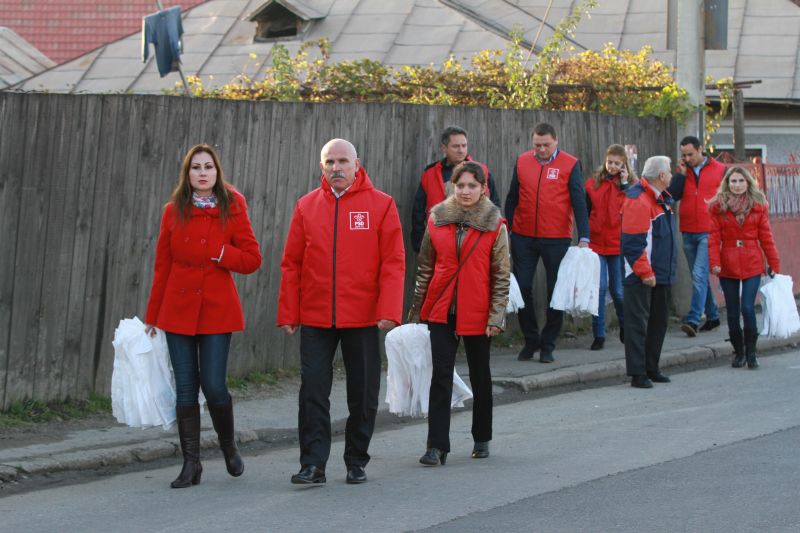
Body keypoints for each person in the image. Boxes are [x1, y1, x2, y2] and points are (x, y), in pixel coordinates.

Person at [277, 138, 405, 485]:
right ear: (322, 167)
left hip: (362, 316)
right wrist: (290, 311)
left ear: (356, 164)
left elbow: (393, 262)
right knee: (313, 391)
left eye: (343, 161)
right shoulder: (306, 206)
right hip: (317, 317)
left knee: (363, 393)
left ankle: (356, 459)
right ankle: (313, 463)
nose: (336, 167)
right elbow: (292, 263)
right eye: (330, 162)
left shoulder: (381, 205)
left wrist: (389, 309)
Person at [144, 144, 262, 488]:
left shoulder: (233, 204)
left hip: (216, 311)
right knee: (185, 390)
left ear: (217, 171)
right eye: (195, 167)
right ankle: (191, 464)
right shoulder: (172, 211)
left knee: (213, 385)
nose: (202, 173)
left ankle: (228, 447)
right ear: (188, 173)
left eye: (208, 167)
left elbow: (253, 259)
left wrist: (222, 253)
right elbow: (162, 267)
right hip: (176, 312)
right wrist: (153, 315)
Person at [408, 161, 510, 466]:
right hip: (441, 310)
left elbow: (501, 274)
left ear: (483, 189)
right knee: (440, 377)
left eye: (472, 186)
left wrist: (496, 316)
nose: (465, 191)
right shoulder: (436, 219)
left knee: (481, 376)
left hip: (478, 312)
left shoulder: (495, 224)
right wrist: (416, 311)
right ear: (452, 186)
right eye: (460, 185)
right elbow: (425, 267)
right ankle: (436, 446)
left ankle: (482, 438)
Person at [505, 122, 590, 363]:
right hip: (523, 235)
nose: (541, 149)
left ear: (556, 141)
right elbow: (512, 197)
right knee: (522, 287)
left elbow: (579, 202)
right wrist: (506, 228)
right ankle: (531, 339)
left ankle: (549, 344)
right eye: (537, 145)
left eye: (546, 145)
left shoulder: (570, 164)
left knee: (556, 292)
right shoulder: (522, 161)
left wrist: (584, 236)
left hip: (556, 237)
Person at [708, 167, 780, 369]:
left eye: (741, 181)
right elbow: (713, 238)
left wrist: (774, 263)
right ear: (727, 184)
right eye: (733, 181)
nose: (737, 185)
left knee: (748, 307)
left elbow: (766, 237)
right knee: (732, 311)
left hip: (752, 260)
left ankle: (752, 352)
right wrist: (714, 262)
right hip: (728, 260)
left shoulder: (758, 206)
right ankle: (738, 352)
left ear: (748, 183)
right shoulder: (718, 207)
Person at [621, 155, 677, 389]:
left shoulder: (660, 199)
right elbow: (633, 243)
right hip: (642, 274)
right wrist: (645, 272)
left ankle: (651, 367)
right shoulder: (638, 199)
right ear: (661, 175)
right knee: (638, 324)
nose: (672, 174)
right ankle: (637, 372)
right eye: (670, 171)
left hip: (660, 272)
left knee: (657, 322)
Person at [668, 136, 725, 337]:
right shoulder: (683, 172)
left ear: (701, 150)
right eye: (683, 155)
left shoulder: (720, 169)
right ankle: (713, 315)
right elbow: (672, 196)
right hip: (688, 230)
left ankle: (693, 319)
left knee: (700, 275)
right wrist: (681, 174)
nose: (687, 158)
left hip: (709, 231)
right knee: (697, 276)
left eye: (690, 154)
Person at [411, 125, 501, 253]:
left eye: (464, 145)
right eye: (456, 146)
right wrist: (419, 242)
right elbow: (418, 211)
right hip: (438, 242)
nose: (461, 150)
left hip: (475, 244)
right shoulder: (430, 173)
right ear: (444, 148)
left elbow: (495, 205)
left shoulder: (483, 171)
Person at [585, 144, 637, 350]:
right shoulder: (593, 183)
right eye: (610, 162)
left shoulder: (630, 184)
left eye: (617, 163)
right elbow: (586, 209)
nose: (613, 166)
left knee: (617, 290)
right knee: (598, 289)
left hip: (618, 243)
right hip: (597, 242)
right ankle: (598, 334)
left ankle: (626, 326)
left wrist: (624, 183)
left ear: (624, 164)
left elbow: (632, 206)